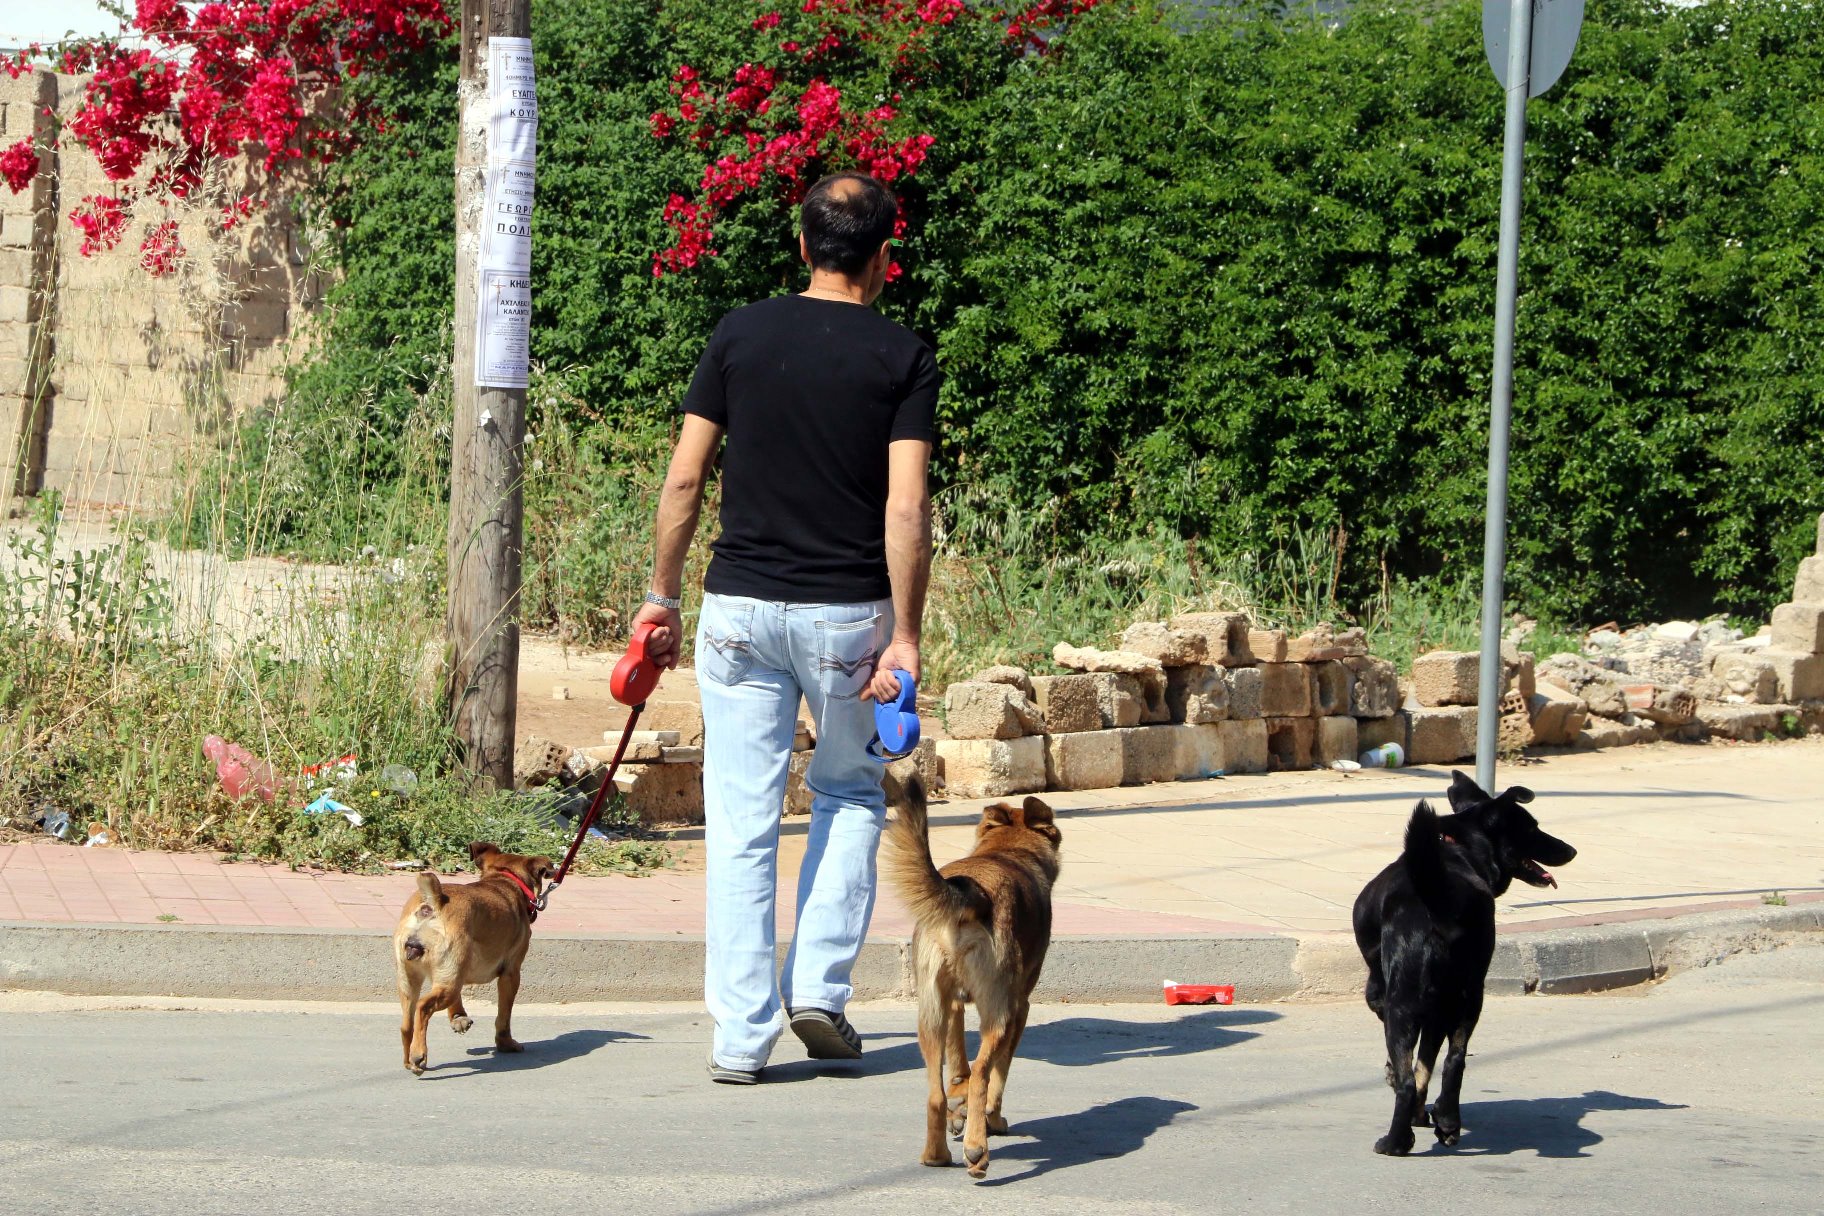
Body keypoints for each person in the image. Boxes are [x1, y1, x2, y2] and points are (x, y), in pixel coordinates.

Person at [630, 173, 937, 1084]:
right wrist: (907, 635)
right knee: (845, 791)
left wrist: (661, 595)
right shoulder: (903, 356)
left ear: (802, 247)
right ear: (884, 259)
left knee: (741, 817)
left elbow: (685, 480)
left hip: (738, 613)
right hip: (846, 616)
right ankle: (819, 990)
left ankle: (739, 1036)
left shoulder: (739, 332)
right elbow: (907, 507)